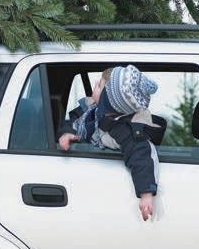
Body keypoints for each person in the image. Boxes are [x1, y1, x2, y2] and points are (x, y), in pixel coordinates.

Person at [57, 65, 164, 221]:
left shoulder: (124, 131)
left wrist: (146, 193)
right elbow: (73, 122)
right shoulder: (90, 109)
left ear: (108, 100)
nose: (95, 85)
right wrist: (67, 133)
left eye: (99, 85)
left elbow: (142, 155)